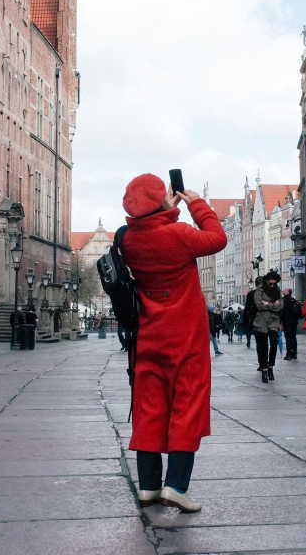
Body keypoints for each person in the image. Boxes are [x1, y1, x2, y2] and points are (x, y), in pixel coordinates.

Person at [120, 174, 226, 513]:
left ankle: (149, 486)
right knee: (187, 406)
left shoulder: (127, 240)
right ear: (159, 201)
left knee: (149, 410)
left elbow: (149, 228)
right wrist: (196, 204)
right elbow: (218, 238)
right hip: (185, 337)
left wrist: (162, 209)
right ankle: (176, 486)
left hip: (149, 336)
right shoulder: (179, 235)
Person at [281, 289, 301, 360]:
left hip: (287, 322)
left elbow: (281, 312)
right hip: (294, 322)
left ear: (287, 292)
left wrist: (281, 322)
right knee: (293, 337)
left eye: (284, 291)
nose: (283, 291)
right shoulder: (294, 300)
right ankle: (294, 354)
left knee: (288, 338)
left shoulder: (284, 300)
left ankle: (289, 354)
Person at [243, 278, 262, 349]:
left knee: (249, 330)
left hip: (253, 316)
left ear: (255, 284)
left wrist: (245, 318)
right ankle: (259, 343)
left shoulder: (251, 293)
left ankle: (249, 340)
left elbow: (247, 306)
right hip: (262, 316)